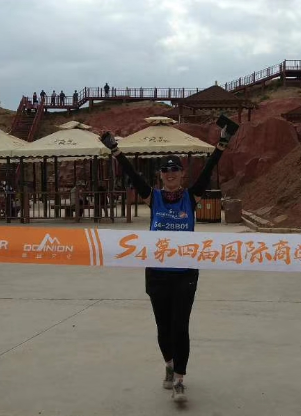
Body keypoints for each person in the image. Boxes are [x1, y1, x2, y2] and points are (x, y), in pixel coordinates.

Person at [100, 125, 233, 404]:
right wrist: (114, 150)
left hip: (185, 274)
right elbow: (132, 174)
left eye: (175, 170)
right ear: (160, 175)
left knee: (180, 327)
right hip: (157, 274)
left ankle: (180, 380)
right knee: (163, 327)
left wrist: (222, 143)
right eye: (165, 170)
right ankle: (170, 365)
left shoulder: (191, 197)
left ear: (182, 174)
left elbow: (209, 169)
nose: (170, 174)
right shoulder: (154, 198)